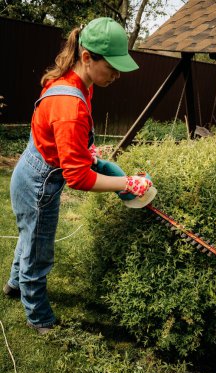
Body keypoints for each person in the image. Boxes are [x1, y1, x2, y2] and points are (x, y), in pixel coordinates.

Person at [3, 17, 152, 334]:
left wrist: (88, 149)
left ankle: (14, 286)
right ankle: (38, 315)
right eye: (111, 67)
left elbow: (66, 138)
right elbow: (79, 179)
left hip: (31, 171)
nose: (116, 75)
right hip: (39, 185)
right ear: (87, 57)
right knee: (38, 253)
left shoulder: (76, 82)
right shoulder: (70, 105)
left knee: (29, 238)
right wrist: (127, 183)